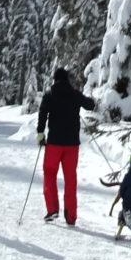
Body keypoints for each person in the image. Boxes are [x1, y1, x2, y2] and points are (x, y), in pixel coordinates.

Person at [36, 65, 94, 225]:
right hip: (72, 145)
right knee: (70, 179)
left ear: (54, 80)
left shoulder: (50, 95)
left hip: (54, 143)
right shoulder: (74, 94)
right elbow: (90, 105)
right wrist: (88, 99)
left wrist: (40, 134)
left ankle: (52, 209)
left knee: (49, 174)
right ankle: (71, 216)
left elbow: (42, 114)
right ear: (67, 80)